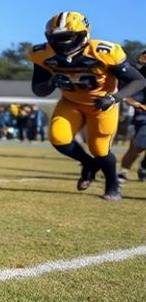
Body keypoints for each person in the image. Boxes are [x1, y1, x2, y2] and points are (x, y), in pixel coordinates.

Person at [29, 12, 146, 201]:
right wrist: (51, 82)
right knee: (58, 138)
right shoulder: (43, 54)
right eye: (56, 38)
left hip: (101, 104)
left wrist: (114, 98)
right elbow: (39, 90)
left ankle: (112, 184)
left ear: (83, 34)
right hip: (71, 102)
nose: (62, 43)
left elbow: (138, 81)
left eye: (67, 37)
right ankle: (89, 164)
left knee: (100, 149)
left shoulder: (104, 52)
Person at [117, 49, 146, 182]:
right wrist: (137, 104)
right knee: (138, 146)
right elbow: (124, 94)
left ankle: (143, 168)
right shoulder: (136, 74)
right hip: (143, 115)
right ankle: (123, 172)